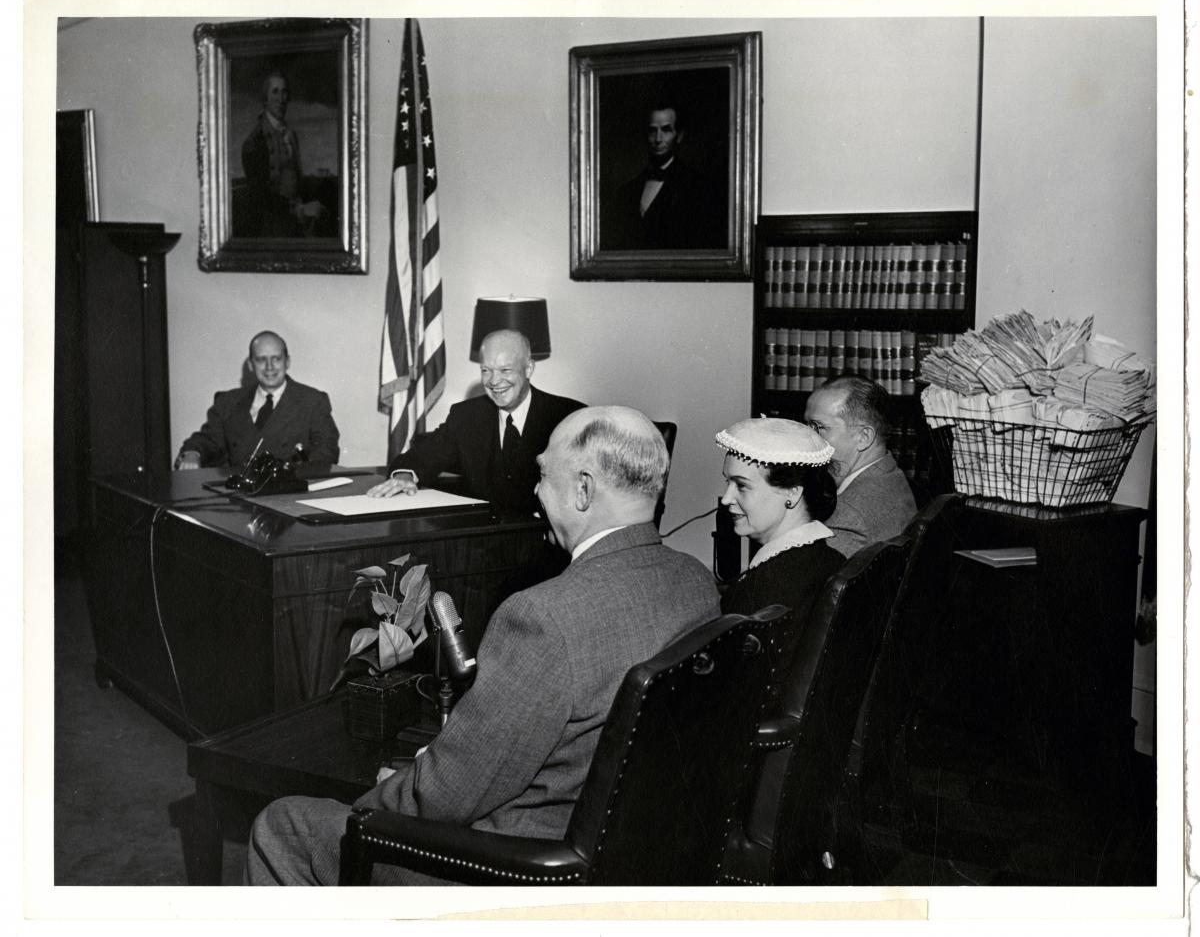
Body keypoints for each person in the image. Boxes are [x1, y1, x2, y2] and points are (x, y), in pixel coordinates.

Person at [244, 405, 721, 885]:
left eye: (541, 475)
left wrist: (374, 804)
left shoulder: (543, 617)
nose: (535, 493)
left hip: (516, 869)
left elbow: (446, 795)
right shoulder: (698, 583)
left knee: (282, 825)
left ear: (583, 489)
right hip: (629, 853)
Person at [368, 329, 584, 514]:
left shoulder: (569, 417)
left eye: (505, 370)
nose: (494, 381)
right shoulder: (467, 416)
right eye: (485, 370)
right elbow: (424, 455)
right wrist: (405, 475)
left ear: (528, 369)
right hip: (484, 543)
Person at [714, 417, 845, 656]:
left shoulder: (761, 593)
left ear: (792, 494)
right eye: (727, 483)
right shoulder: (831, 558)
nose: (726, 499)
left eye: (741, 486)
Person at [175, 330, 340, 469]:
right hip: (237, 496)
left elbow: (327, 451)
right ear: (250, 364)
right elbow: (208, 439)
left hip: (288, 494)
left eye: (276, 358)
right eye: (261, 359)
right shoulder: (227, 402)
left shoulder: (313, 401)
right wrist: (192, 453)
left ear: (287, 362)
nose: (269, 367)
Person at [803, 375, 917, 557]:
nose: (807, 438)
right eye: (807, 426)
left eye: (819, 427)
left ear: (864, 437)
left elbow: (809, 581)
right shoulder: (891, 474)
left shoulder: (849, 515)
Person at [601, 103, 725, 250]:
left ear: (679, 136)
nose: (658, 139)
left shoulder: (700, 188)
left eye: (666, 130)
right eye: (652, 131)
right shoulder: (627, 191)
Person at [237, 70, 326, 238]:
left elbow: (296, 182)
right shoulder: (254, 143)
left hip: (295, 225)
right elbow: (260, 197)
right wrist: (300, 209)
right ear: (265, 98)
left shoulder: (290, 136)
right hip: (270, 229)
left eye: (284, 92)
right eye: (275, 92)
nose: (281, 98)